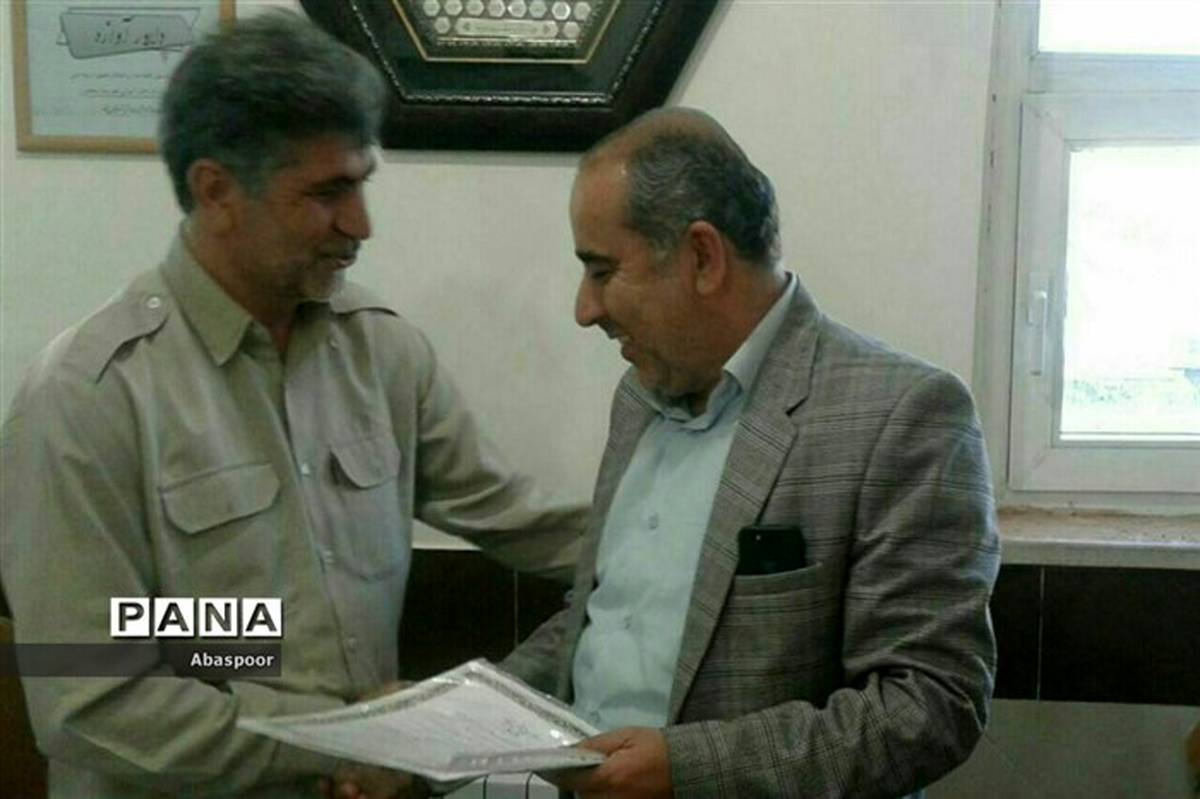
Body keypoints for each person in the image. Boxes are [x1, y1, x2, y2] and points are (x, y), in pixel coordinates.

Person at [0, 11, 584, 799]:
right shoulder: (88, 398)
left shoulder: (380, 352)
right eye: (326, 193)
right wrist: (332, 740)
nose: (360, 224)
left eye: (362, 183)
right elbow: (88, 692)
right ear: (216, 191)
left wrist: (684, 547)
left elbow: (522, 518)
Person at [499, 107, 1002, 798]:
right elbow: (605, 617)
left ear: (703, 258)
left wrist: (687, 769)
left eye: (602, 271)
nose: (584, 309)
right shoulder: (638, 397)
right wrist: (456, 716)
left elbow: (929, 706)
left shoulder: (904, 415)